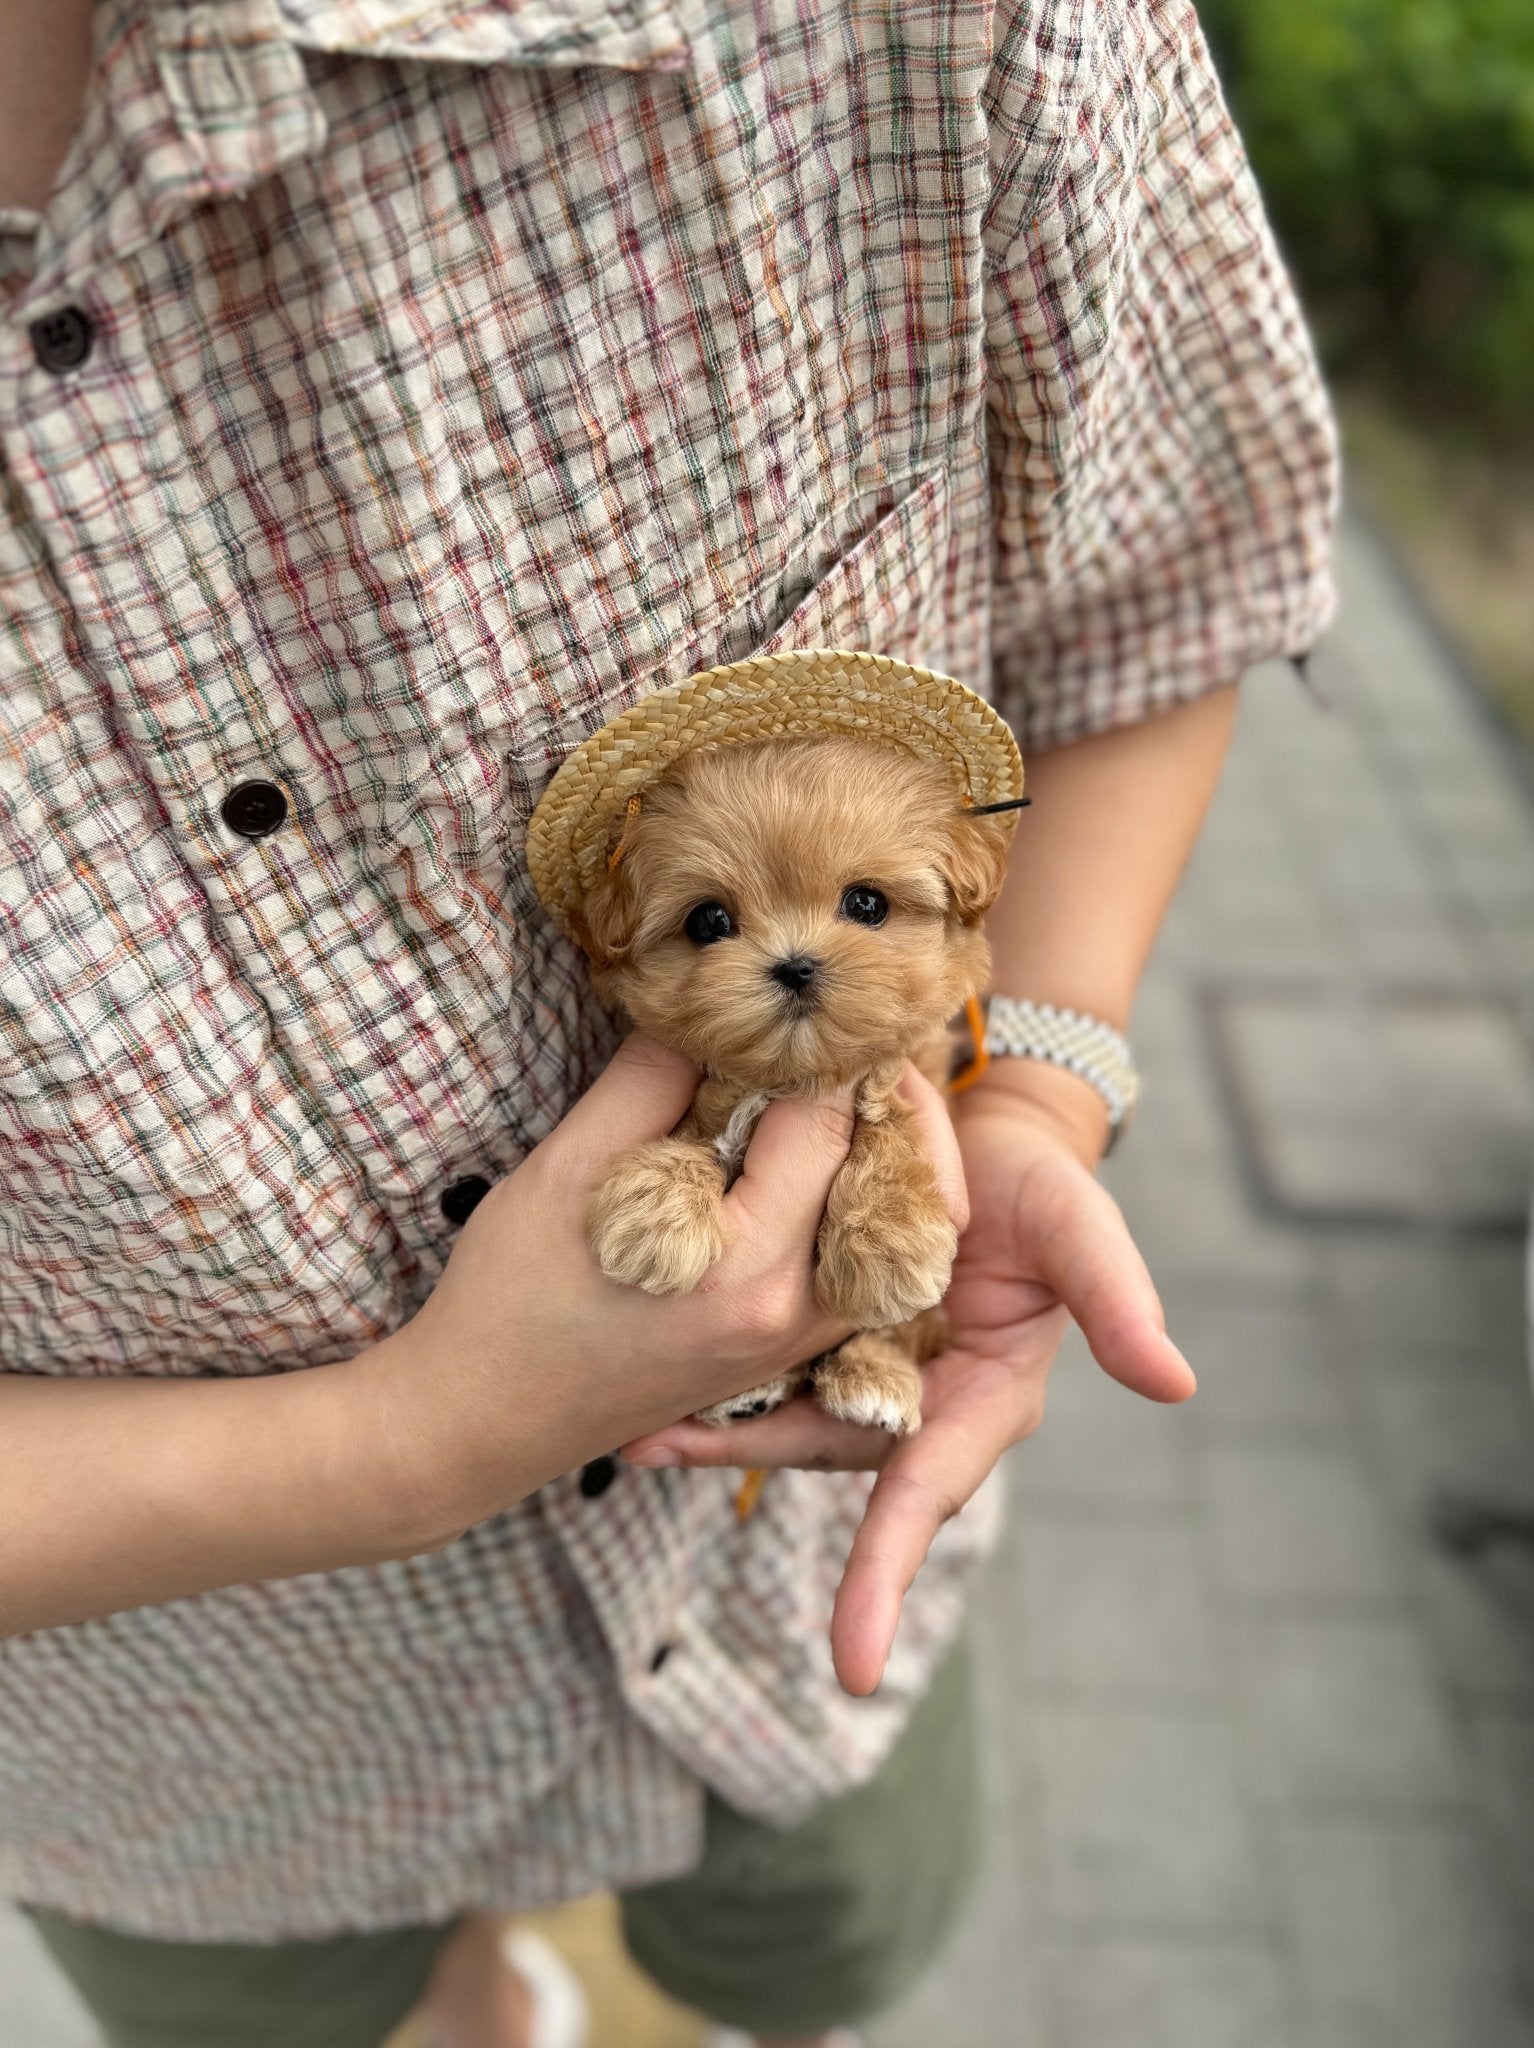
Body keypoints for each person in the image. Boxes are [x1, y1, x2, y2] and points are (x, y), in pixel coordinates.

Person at [0, 1, 1336, 2044]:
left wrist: (1038, 1102)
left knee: (823, 1945)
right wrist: (407, 1441)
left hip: (791, 1587)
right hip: (179, 1718)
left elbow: (1156, 584)